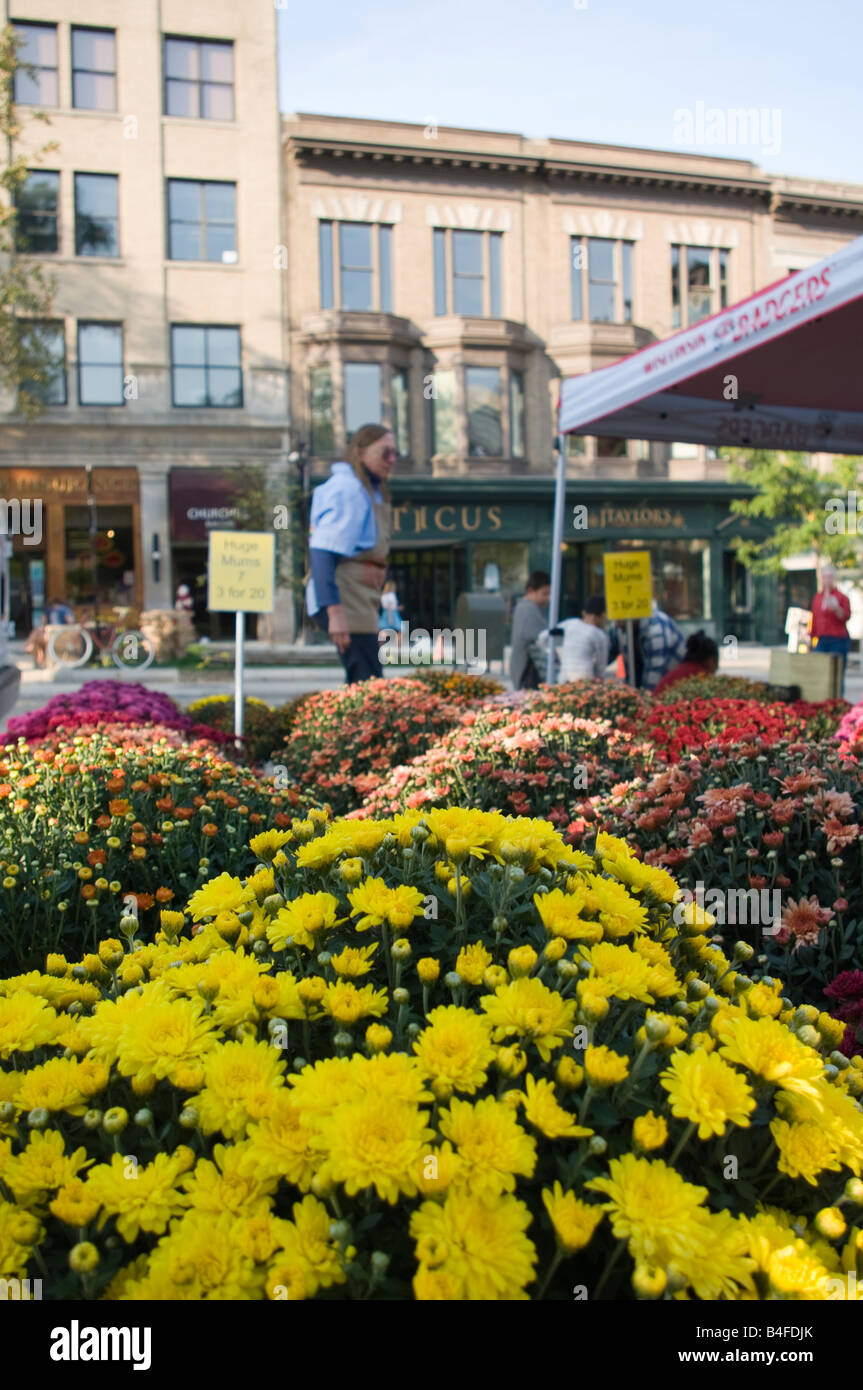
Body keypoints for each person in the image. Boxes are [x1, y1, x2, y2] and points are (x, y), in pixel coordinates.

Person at [305, 423, 395, 684]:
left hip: (359, 600)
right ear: (360, 453)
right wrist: (336, 615)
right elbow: (321, 552)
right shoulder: (348, 489)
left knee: (366, 680)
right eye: (384, 452)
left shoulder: (367, 489)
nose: (391, 460)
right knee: (367, 683)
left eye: (394, 453)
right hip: (345, 599)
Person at [538, 595, 610, 683]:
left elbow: (543, 637)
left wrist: (555, 657)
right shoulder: (600, 635)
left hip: (564, 677)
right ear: (603, 615)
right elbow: (600, 665)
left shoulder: (570, 623)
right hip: (585, 678)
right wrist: (599, 680)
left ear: (584, 613)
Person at [810, 564, 851, 694]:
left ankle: (838, 701)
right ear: (821, 578)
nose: (827, 580)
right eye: (825, 577)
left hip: (838, 640)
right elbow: (815, 620)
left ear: (834, 578)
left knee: (837, 675)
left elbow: (846, 616)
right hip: (822, 640)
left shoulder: (842, 597)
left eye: (830, 577)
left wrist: (836, 608)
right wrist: (811, 640)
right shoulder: (817, 597)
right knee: (819, 673)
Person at [509, 571, 551, 689]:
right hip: (528, 670)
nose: (547, 599)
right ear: (530, 591)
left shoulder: (524, 607)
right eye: (544, 594)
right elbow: (542, 637)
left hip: (524, 669)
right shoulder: (528, 610)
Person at [638, 601, 687, 691]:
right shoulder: (623, 627)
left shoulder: (656, 626)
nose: (615, 622)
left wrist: (645, 699)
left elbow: (656, 669)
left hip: (671, 688)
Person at [653, 630, 719, 695]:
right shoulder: (702, 676)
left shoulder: (676, 671)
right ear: (711, 660)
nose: (716, 668)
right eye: (716, 663)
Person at [25, 597, 74, 668]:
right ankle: (35, 652)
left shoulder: (60, 610)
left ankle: (30, 646)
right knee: (38, 639)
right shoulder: (63, 610)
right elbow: (70, 621)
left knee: (38, 638)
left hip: (57, 635)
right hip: (53, 633)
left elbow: (69, 622)